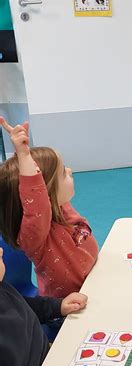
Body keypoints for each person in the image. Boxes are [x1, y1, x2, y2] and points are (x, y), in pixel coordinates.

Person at [0, 118, 98, 297]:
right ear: (46, 193)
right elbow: (35, 199)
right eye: (62, 173)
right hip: (67, 310)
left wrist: (26, 156)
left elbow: (35, 194)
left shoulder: (60, 208)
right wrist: (23, 155)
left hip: (95, 284)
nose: (69, 170)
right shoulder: (35, 236)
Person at [0, 246, 88, 366]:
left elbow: (23, 304)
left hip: (47, 362)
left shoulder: (2, 288)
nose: (0, 250)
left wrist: (57, 306)